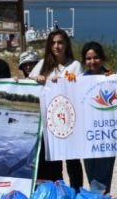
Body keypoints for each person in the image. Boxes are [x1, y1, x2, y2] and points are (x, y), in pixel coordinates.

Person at [31, 28, 84, 189]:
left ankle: (76, 191)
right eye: (53, 43)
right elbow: (29, 84)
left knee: (72, 160)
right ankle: (50, 190)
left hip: (68, 120)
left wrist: (69, 81)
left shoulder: (75, 65)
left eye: (60, 42)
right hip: (47, 121)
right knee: (48, 159)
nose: (56, 46)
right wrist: (38, 78)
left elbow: (82, 87)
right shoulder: (42, 64)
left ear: (66, 44)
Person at [80, 41, 116, 193]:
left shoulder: (112, 77)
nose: (92, 62)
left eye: (95, 58)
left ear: (102, 58)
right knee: (91, 172)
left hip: (107, 133)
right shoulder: (79, 79)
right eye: (88, 59)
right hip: (88, 133)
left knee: (105, 171)